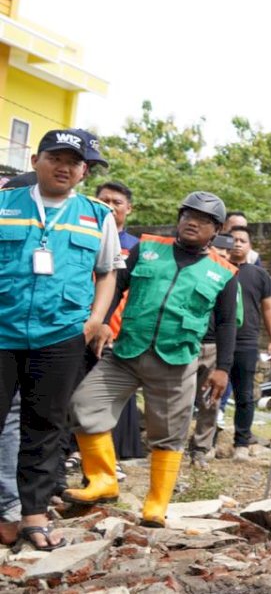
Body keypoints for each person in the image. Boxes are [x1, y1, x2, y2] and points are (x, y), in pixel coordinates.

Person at [65, 192, 237, 529]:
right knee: (84, 405)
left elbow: (229, 322)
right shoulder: (146, 248)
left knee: (169, 433)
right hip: (127, 352)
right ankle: (103, 480)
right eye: (188, 214)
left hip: (176, 361)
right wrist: (101, 320)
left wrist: (222, 368)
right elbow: (114, 285)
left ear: (215, 231)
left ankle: (156, 505)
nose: (192, 222)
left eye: (203, 220)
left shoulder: (225, 273)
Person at [0, 129, 120, 549]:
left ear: (85, 171)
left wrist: (96, 320)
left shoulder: (98, 216)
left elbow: (108, 272)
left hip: (61, 335)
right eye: (57, 157)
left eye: (76, 161)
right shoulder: (3, 203)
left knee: (45, 426)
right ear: (36, 160)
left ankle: (32, 515)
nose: (65, 166)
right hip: (2, 330)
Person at [95, 181, 145, 463]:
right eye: (104, 200)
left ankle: (118, 453)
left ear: (129, 208)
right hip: (78, 325)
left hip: (118, 331)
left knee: (117, 394)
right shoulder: (84, 235)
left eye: (117, 202)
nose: (110, 207)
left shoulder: (137, 247)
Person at [226, 226, 271, 460]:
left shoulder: (260, 275)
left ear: (249, 246)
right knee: (208, 393)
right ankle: (203, 443)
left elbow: (268, 308)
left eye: (242, 240)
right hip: (214, 341)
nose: (237, 243)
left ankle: (241, 443)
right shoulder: (215, 268)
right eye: (233, 239)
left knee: (245, 394)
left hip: (246, 341)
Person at [186, 233, 238, 468]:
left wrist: (224, 363)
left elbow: (230, 321)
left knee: (210, 400)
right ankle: (171, 449)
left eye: (228, 253)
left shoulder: (228, 277)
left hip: (213, 345)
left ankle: (199, 449)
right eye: (220, 251)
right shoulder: (193, 269)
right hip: (185, 343)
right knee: (178, 399)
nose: (224, 256)